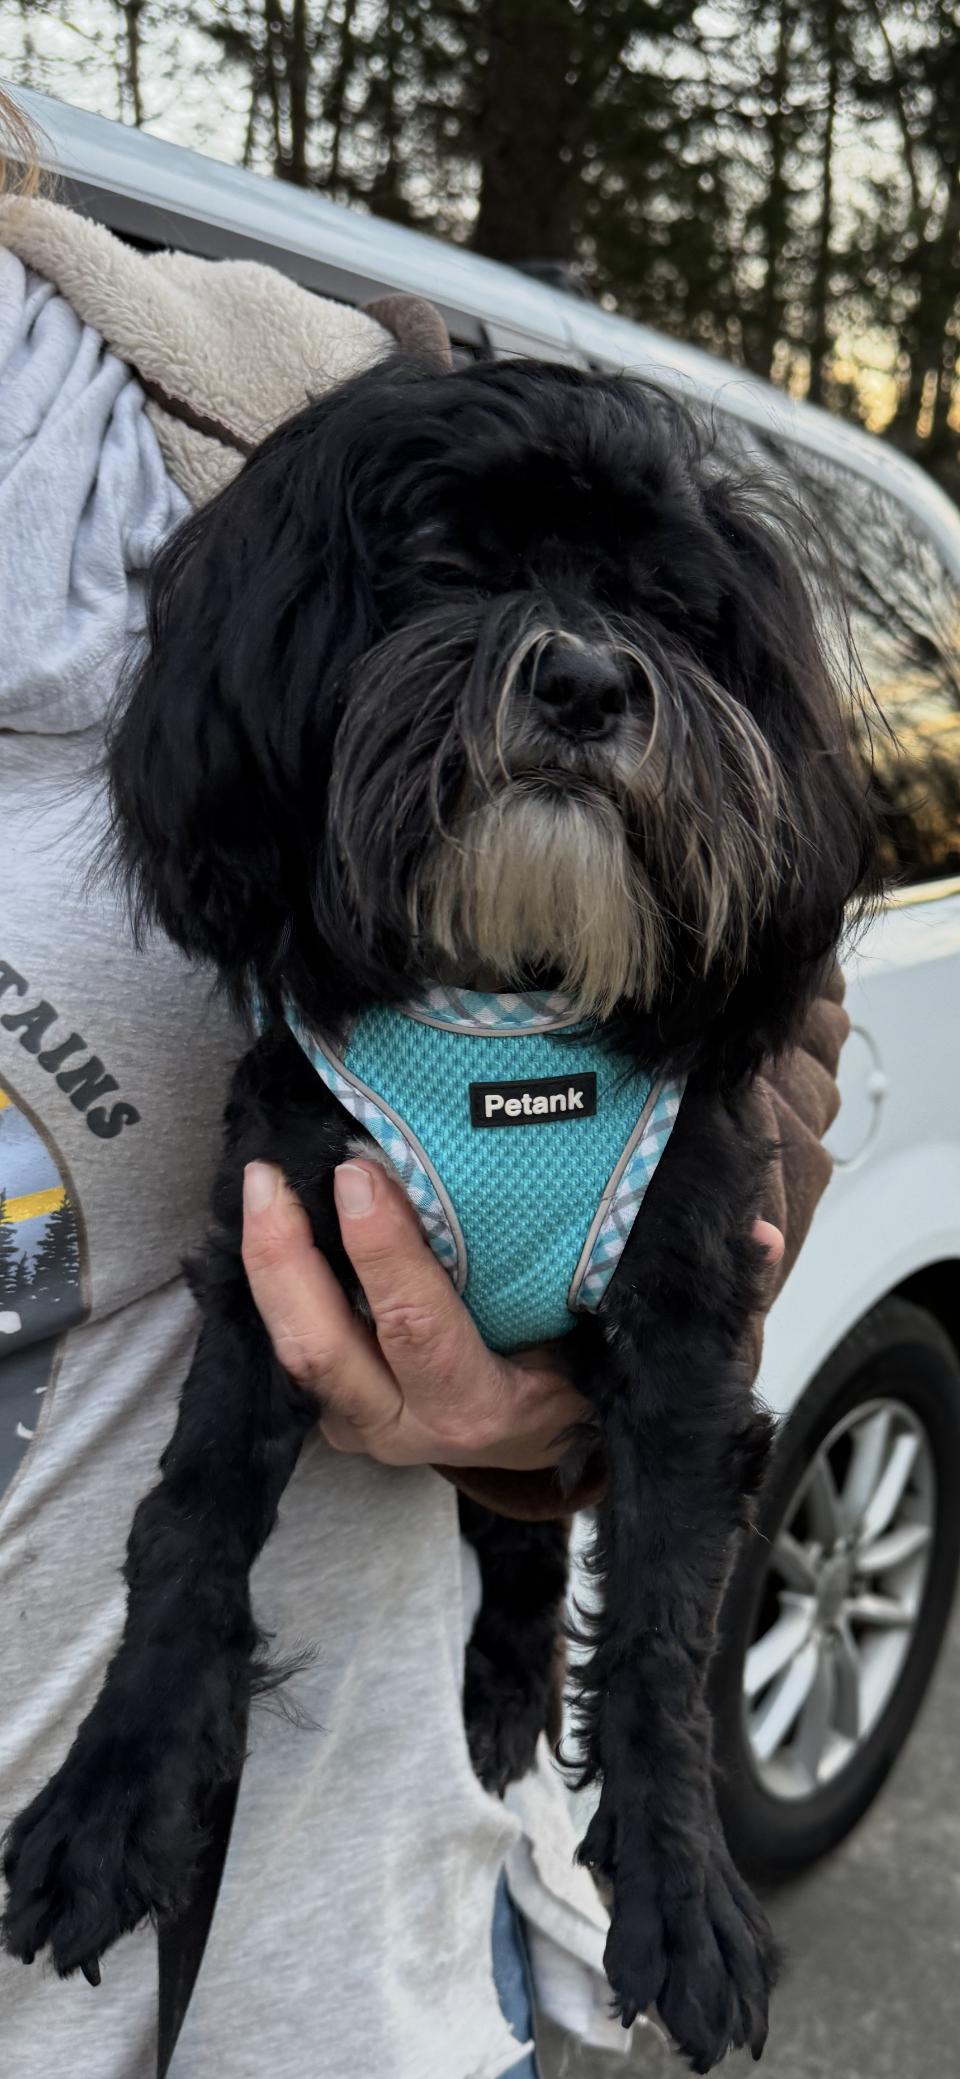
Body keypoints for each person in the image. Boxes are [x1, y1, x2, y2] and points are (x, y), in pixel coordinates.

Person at [0, 88, 850, 2079]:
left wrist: (553, 1411)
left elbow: (768, 991)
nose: (562, 662)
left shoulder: (257, 411)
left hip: (295, 1974)